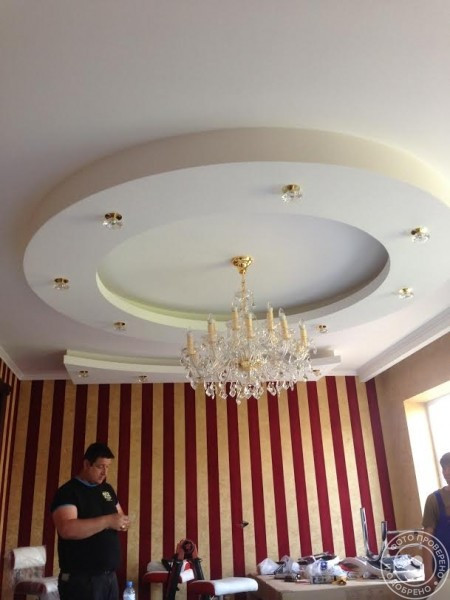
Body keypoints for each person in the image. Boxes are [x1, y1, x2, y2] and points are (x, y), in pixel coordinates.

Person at [51, 442, 130, 600]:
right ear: (87, 464)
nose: (104, 472)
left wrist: (123, 523)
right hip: (81, 580)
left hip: (110, 577)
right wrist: (108, 521)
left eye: (107, 467)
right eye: (100, 467)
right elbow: (67, 529)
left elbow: (120, 516)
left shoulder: (107, 490)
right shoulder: (68, 492)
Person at [422, 452, 450, 589]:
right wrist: (428, 571)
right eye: (444, 468)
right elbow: (427, 537)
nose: (446, 472)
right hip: (443, 570)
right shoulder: (433, 499)